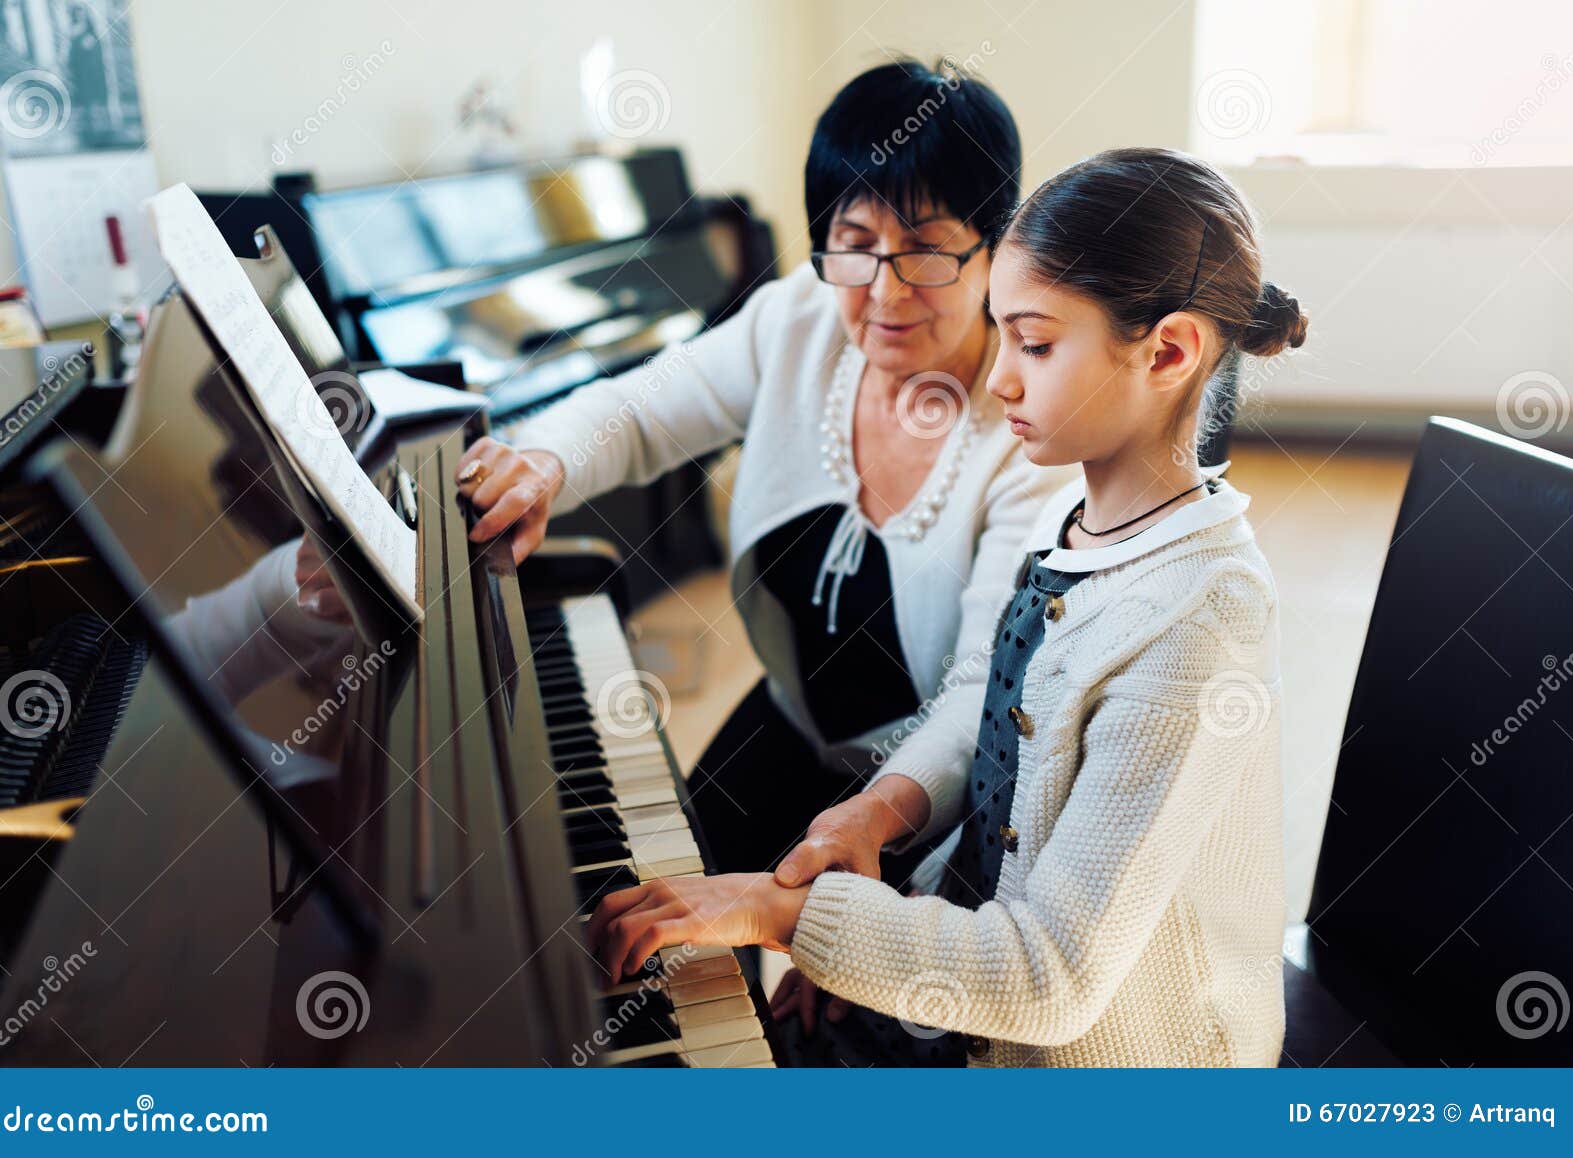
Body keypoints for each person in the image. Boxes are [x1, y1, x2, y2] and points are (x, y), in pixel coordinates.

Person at [586, 147, 1306, 1067]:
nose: (999, 377)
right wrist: (883, 812)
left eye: (1036, 345)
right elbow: (995, 719)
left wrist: (788, 917)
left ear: (1167, 351)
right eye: (1002, 336)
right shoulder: (1083, 530)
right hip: (972, 987)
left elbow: (1050, 978)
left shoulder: (1200, 621)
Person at [456, 59, 1069, 884]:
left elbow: (978, 700)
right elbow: (640, 409)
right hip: (795, 721)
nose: (883, 291)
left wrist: (869, 835)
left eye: (925, 251)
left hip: (940, 789)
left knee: (837, 995)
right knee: (669, 895)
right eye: (854, 246)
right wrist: (541, 461)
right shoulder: (799, 320)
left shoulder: (1030, 431)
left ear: (995, 251)